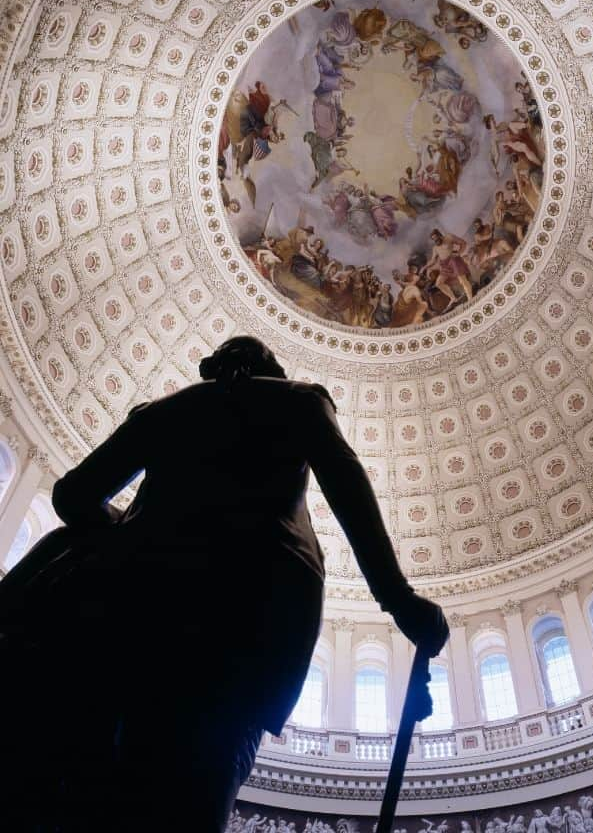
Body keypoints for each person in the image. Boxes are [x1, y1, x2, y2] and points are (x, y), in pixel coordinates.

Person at [0, 336, 448, 832]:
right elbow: (348, 488)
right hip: (254, 617)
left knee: (104, 778)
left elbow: (72, 495)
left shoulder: (163, 411)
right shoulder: (298, 400)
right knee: (201, 786)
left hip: (137, 608)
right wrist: (398, 599)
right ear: (271, 369)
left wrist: (127, 523)